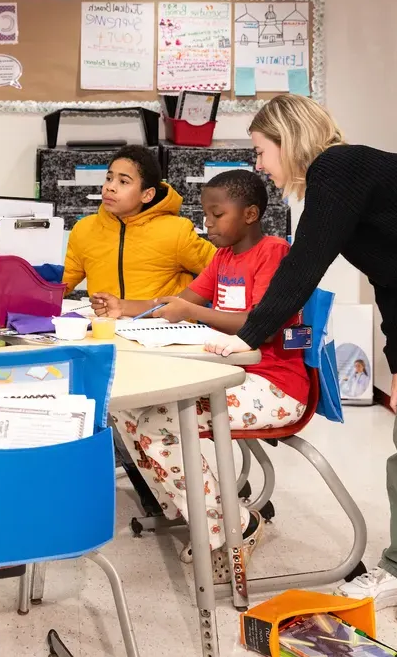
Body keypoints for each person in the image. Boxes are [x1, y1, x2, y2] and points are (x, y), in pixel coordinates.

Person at [203, 94, 397, 643]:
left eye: (261, 150)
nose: (259, 165)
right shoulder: (343, 185)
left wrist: (251, 336)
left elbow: (305, 264)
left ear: (288, 138)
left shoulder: (338, 167)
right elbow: (390, 278)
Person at [93, 170, 310, 578]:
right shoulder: (224, 257)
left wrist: (191, 312)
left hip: (275, 386)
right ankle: (198, 513)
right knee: (126, 412)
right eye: (204, 214)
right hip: (233, 375)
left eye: (216, 214)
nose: (206, 223)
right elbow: (180, 302)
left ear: (250, 213)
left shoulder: (274, 252)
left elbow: (255, 320)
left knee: (157, 423)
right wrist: (124, 306)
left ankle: (234, 528)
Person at [64, 145, 215, 303]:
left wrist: (190, 304)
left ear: (147, 195)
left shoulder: (176, 231)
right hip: (106, 325)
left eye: (123, 182)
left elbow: (223, 270)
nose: (110, 187)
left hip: (161, 325)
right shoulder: (84, 229)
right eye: (109, 178)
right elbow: (63, 282)